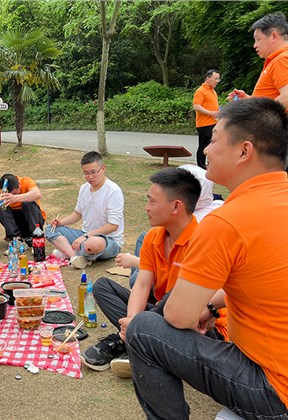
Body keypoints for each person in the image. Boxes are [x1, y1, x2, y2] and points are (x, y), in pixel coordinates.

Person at [126, 98, 288, 418]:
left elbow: (180, 318)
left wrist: (193, 308)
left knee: (144, 329)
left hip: (274, 388)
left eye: (213, 139)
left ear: (244, 151)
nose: (206, 151)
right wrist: (211, 305)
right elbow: (265, 281)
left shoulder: (226, 221)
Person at [81, 168, 227, 377]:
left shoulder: (203, 241)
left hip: (198, 322)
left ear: (176, 207)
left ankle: (139, 345)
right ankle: (138, 340)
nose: (146, 208)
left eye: (152, 201)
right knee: (103, 286)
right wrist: (133, 320)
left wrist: (138, 322)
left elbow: (194, 305)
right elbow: (141, 285)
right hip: (161, 314)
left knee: (172, 299)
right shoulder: (153, 237)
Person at [117, 164, 224, 288]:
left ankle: (145, 275)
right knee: (144, 238)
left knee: (136, 280)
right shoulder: (212, 206)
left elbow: (176, 267)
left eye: (152, 201)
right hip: (167, 279)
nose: (146, 208)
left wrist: (135, 261)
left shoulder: (198, 229)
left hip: (179, 290)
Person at [45, 151, 124, 269]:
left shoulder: (113, 191)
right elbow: (78, 213)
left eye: (93, 172)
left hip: (108, 240)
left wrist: (86, 236)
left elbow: (113, 226)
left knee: (93, 244)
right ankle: (74, 257)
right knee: (50, 229)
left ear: (103, 169)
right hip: (85, 235)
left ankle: (68, 251)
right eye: (86, 173)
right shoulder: (84, 188)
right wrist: (62, 222)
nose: (90, 177)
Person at [228, 12, 288, 105]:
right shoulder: (278, 59)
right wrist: (249, 101)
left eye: (258, 39)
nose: (255, 45)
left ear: (274, 36)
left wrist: (256, 110)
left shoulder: (281, 59)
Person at [0, 173, 46, 243]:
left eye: (15, 193)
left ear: (19, 185)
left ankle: (36, 235)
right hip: (17, 223)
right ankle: (16, 238)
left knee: (28, 203)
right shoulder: (0, 191)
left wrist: (16, 198)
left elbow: (37, 194)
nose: (12, 196)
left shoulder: (26, 181)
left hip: (33, 220)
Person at [193, 69, 221, 168]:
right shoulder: (200, 91)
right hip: (204, 124)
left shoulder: (213, 91)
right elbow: (196, 106)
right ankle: (201, 166)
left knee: (213, 145)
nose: (217, 81)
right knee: (203, 146)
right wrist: (211, 113)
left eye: (218, 79)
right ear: (207, 78)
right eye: (215, 79)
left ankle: (210, 164)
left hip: (214, 123)